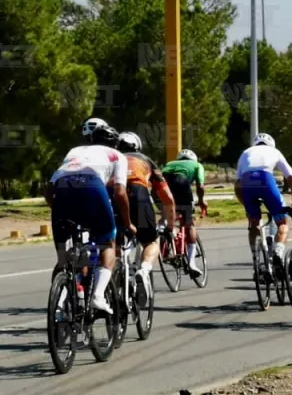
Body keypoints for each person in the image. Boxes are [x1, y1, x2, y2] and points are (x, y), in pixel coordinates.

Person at [46, 118, 132, 314]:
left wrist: (61, 209)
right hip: (92, 187)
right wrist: (128, 223)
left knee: (63, 260)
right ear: (115, 143)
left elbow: (49, 190)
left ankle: (59, 307)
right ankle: (98, 297)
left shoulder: (75, 151)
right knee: (108, 244)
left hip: (61, 191)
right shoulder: (117, 155)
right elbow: (119, 192)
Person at [119, 131, 176, 295]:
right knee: (151, 241)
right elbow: (168, 198)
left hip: (112, 193)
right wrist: (170, 227)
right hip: (138, 193)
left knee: (111, 241)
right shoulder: (146, 160)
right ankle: (143, 270)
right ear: (138, 146)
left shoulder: (112, 158)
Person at [235, 132, 292, 265]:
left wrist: (244, 203)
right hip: (266, 180)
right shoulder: (274, 151)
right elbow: (291, 177)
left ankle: (255, 258)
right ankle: (278, 252)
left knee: (254, 223)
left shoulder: (245, 152)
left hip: (247, 183)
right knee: (283, 223)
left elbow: (237, 184)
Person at [162, 148, 208, 278]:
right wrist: (201, 201)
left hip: (162, 185)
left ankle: (167, 240)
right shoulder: (197, 165)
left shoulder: (170, 164)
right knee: (189, 224)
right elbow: (200, 186)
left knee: (169, 216)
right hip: (181, 184)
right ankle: (192, 263)